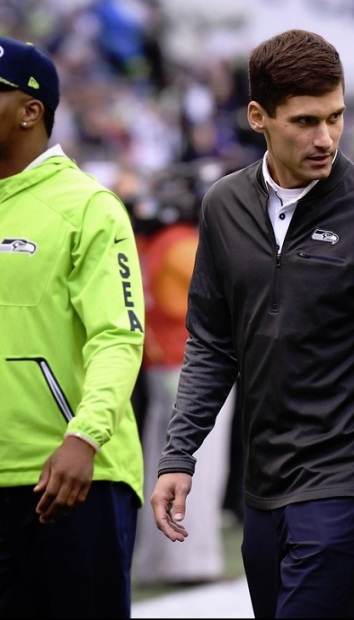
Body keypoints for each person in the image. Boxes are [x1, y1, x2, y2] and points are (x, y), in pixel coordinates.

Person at [149, 29, 354, 618]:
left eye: (335, 117)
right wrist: (178, 457)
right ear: (258, 116)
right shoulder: (222, 205)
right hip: (263, 489)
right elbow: (213, 346)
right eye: (306, 121)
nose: (326, 138)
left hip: (350, 482)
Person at [0, 36, 145, 617]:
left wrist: (84, 438)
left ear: (30, 110)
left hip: (73, 479)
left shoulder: (88, 206)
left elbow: (117, 335)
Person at [131, 163, 236, 587]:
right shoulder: (183, 245)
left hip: (160, 367)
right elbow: (229, 298)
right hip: (193, 366)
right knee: (199, 464)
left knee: (161, 462)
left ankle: (158, 560)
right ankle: (191, 562)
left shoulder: (148, 243)